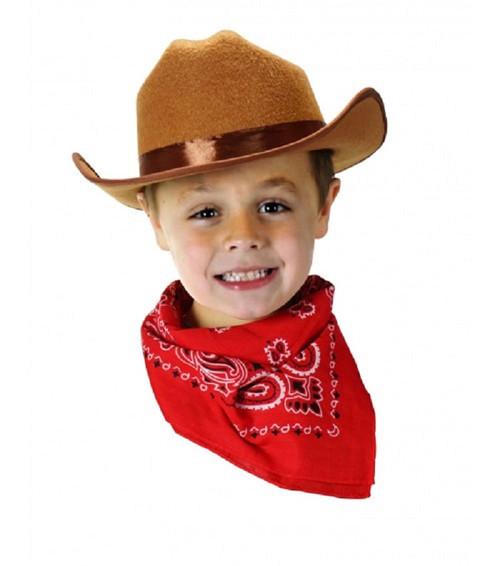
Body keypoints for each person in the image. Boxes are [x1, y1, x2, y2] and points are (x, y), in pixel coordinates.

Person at [73, 30, 387, 498]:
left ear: (323, 207)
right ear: (157, 224)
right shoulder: (106, 405)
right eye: (205, 213)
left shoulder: (403, 355)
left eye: (274, 205)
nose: (242, 237)